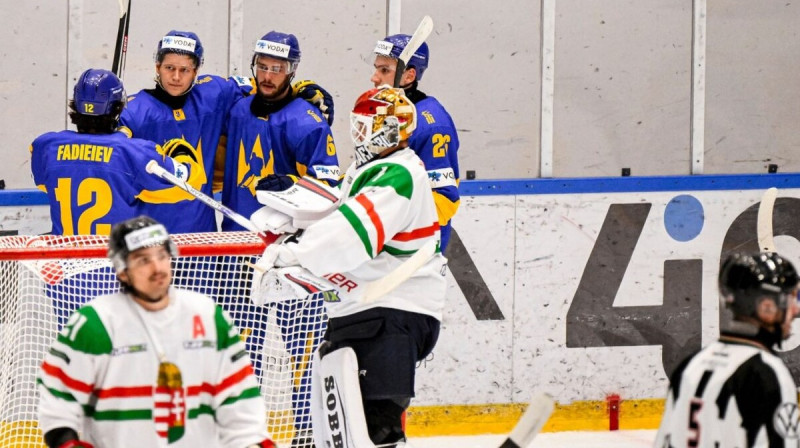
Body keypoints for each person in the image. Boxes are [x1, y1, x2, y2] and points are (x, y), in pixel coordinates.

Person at [255, 86, 447, 448]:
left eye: (365, 126)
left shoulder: (399, 174)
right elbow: (340, 213)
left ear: (387, 131)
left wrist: (294, 253)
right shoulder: (373, 169)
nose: (357, 133)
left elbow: (351, 233)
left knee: (376, 430)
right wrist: (293, 202)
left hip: (391, 311)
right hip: (365, 311)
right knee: (343, 429)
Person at [37, 215, 275, 448]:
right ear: (122, 271)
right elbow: (59, 401)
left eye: (162, 256)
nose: (157, 267)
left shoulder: (208, 316)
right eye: (143, 260)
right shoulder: (95, 323)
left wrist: (254, 441)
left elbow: (239, 401)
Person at [220, 30, 341, 448]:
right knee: (240, 352)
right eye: (263, 67)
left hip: (292, 254)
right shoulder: (237, 110)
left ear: (293, 71)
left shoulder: (307, 119)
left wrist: (291, 183)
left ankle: (308, 435)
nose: (269, 76)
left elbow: (330, 191)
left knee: (303, 353)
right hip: (238, 250)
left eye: (278, 68)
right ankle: (245, 436)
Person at [119, 30, 335, 233]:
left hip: (206, 235)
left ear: (195, 71)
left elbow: (259, 87)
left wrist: (299, 89)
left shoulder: (214, 94)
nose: (176, 77)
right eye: (169, 68)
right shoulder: (134, 109)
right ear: (157, 67)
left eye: (184, 69)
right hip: (152, 231)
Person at [30, 68, 204, 236]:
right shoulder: (134, 152)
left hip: (66, 263)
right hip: (115, 263)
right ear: (118, 109)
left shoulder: (46, 146)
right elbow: (188, 183)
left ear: (75, 105)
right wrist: (180, 152)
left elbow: (44, 183)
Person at [654, 252, 800, 448]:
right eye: (791, 299)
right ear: (767, 307)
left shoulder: (690, 366)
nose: (796, 309)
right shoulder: (768, 374)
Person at [370, 34, 460, 253]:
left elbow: (444, 201)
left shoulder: (431, 124)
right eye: (376, 68)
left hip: (416, 246)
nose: (374, 78)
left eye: (384, 70)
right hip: (387, 235)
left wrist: (394, 220)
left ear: (409, 75)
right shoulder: (391, 112)